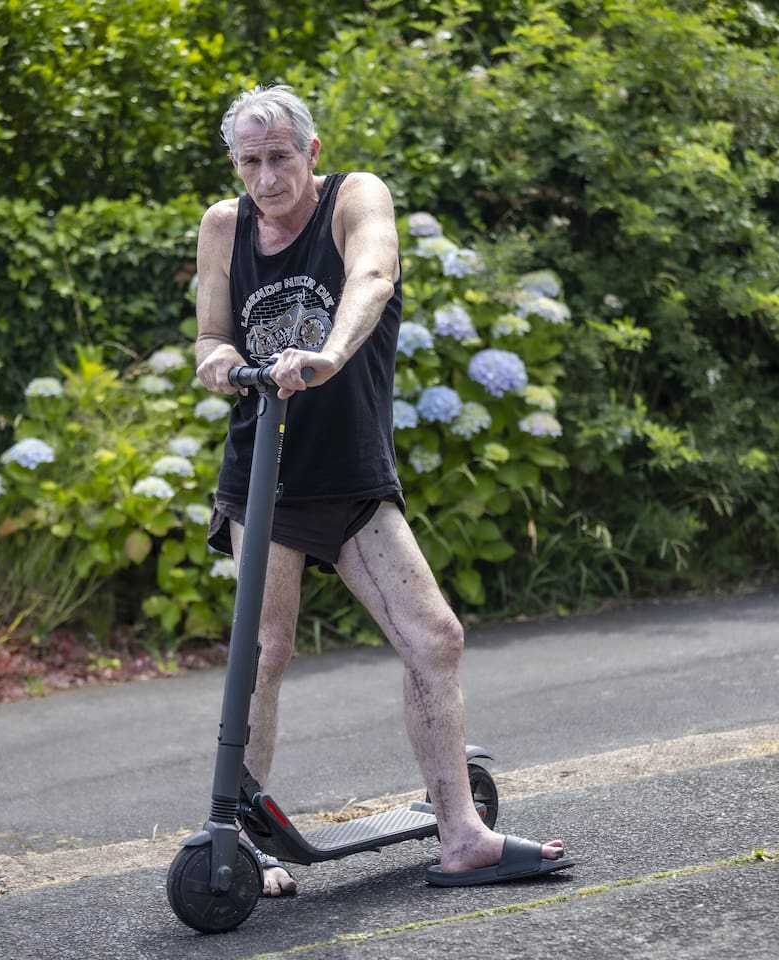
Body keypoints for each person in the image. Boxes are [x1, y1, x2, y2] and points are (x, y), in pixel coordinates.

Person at [192, 84, 571, 896]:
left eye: (280, 158)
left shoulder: (353, 199)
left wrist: (326, 353)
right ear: (236, 164)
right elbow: (211, 333)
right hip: (265, 477)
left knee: (434, 637)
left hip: (351, 474)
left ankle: (462, 835)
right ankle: (239, 840)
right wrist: (217, 361)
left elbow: (373, 273)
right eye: (251, 162)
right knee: (263, 653)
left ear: (311, 154)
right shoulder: (223, 227)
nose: (267, 178)